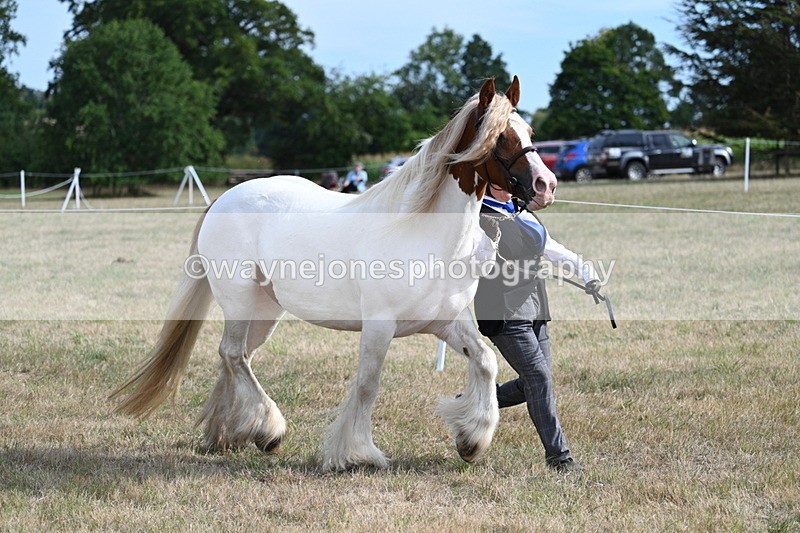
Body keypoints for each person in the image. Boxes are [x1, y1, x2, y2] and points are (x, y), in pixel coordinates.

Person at [475, 182, 603, 473]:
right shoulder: (476, 215)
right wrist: (489, 244)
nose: (509, 187)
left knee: (536, 381)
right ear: (489, 182)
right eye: (501, 182)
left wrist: (588, 275)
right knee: (539, 378)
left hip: (535, 306)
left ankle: (477, 398)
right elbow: (474, 265)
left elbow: (552, 249)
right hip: (502, 308)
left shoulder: (520, 210)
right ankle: (560, 458)